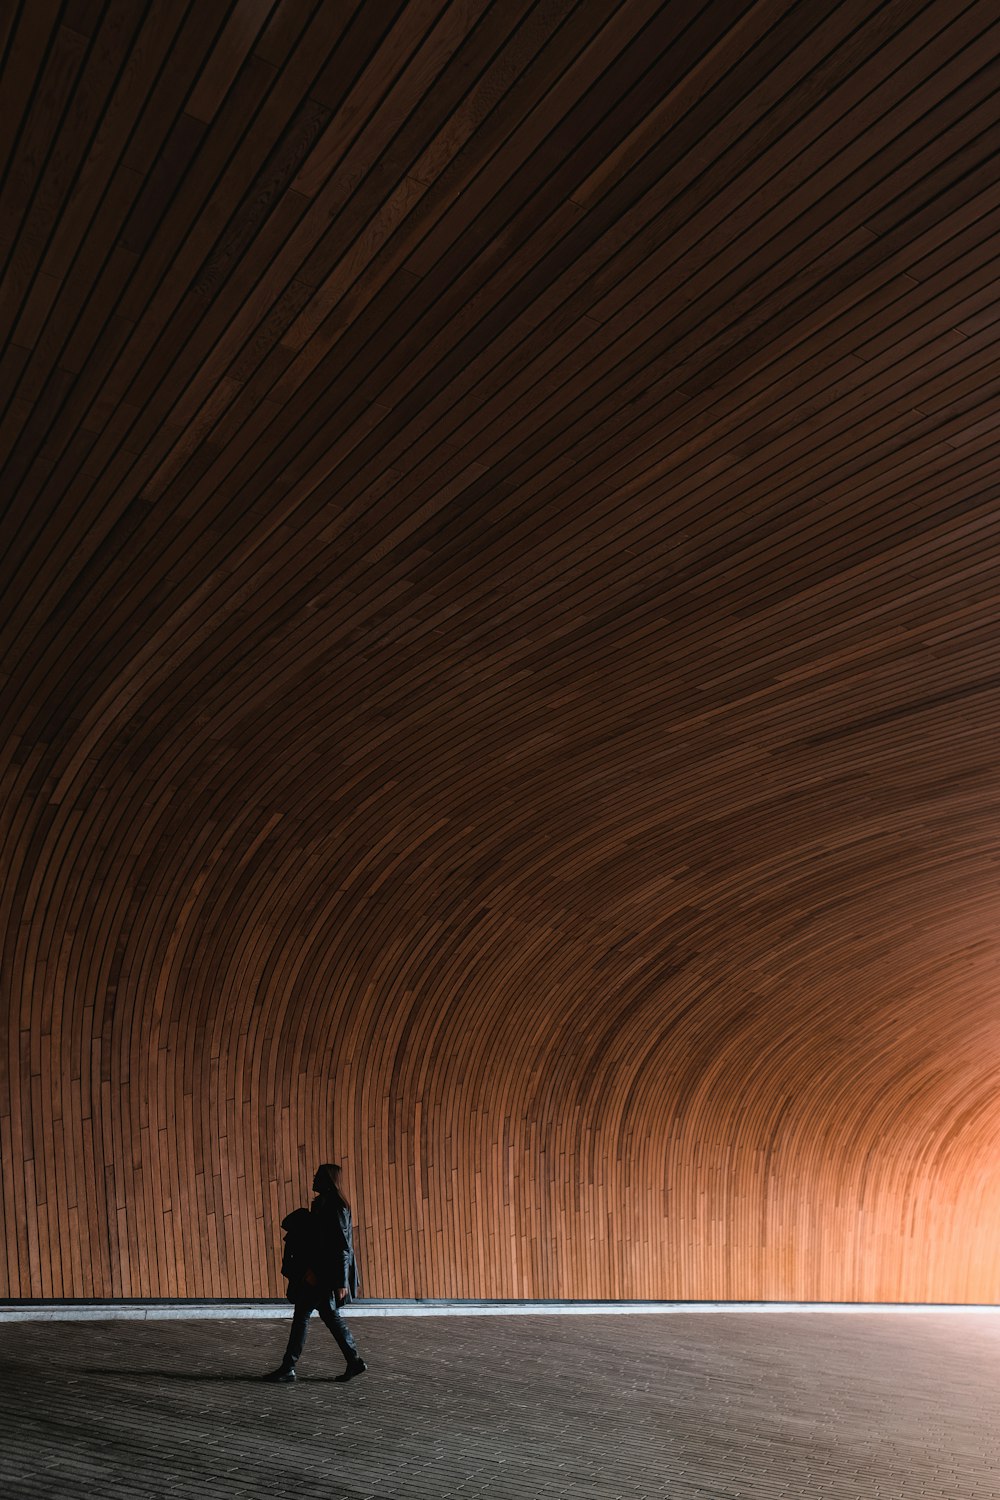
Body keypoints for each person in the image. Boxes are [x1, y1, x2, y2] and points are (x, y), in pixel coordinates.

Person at [262, 1163, 367, 1383]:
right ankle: (353, 1361)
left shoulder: (335, 1206)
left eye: (317, 1176)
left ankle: (289, 1367)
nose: (313, 1179)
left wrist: (340, 1282)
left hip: (323, 1275)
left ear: (327, 1180)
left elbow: (341, 1246)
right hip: (319, 1273)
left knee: (306, 1317)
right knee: (322, 1316)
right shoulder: (324, 1204)